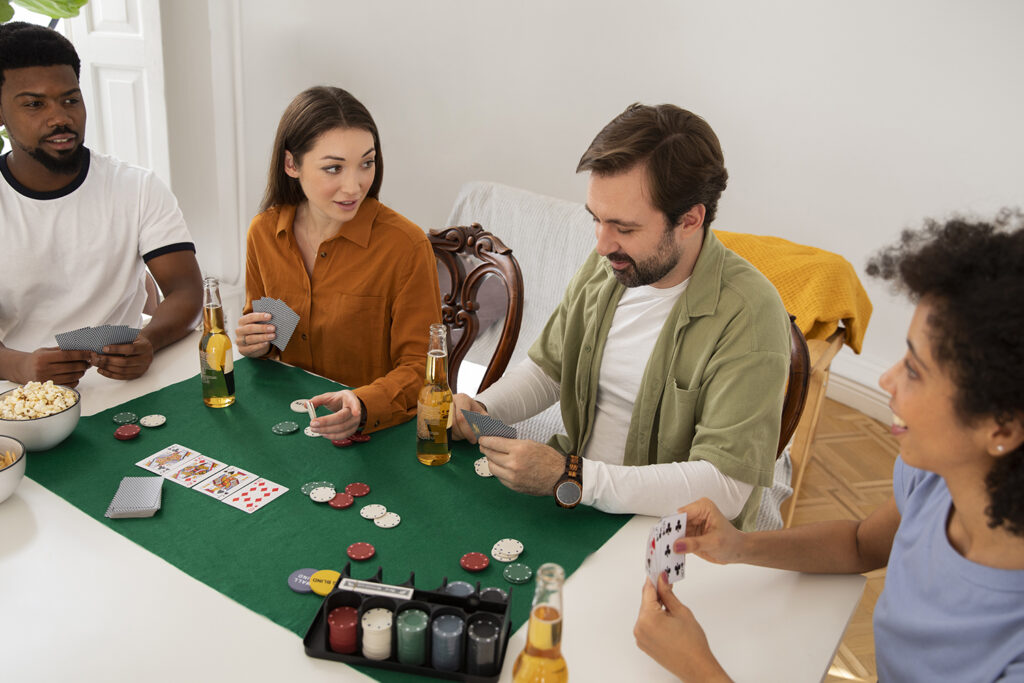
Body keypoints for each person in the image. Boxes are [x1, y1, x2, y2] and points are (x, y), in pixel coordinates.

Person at [634, 213, 1024, 682]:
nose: (886, 379)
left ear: (1001, 427)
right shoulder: (936, 480)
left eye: (916, 371)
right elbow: (860, 544)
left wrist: (697, 668)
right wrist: (739, 545)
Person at [450, 103, 791, 529]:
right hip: (574, 505)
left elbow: (724, 486)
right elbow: (550, 369)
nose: (602, 244)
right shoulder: (612, 266)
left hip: (665, 532)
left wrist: (571, 477)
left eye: (625, 228)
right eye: (596, 219)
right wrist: (483, 409)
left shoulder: (750, 314)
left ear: (690, 220)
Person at [0, 22, 203, 387]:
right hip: (16, 390)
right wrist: (20, 366)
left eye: (70, 99)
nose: (60, 117)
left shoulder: (136, 186)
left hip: (122, 381)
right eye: (34, 104)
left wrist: (147, 341)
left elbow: (186, 291)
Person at [234, 86, 441, 441]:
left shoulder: (406, 247)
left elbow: (423, 370)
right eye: (333, 168)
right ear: (291, 165)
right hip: (290, 424)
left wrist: (361, 404)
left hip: (378, 435)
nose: (354, 186)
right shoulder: (264, 232)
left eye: (367, 163)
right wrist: (257, 343)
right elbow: (270, 337)